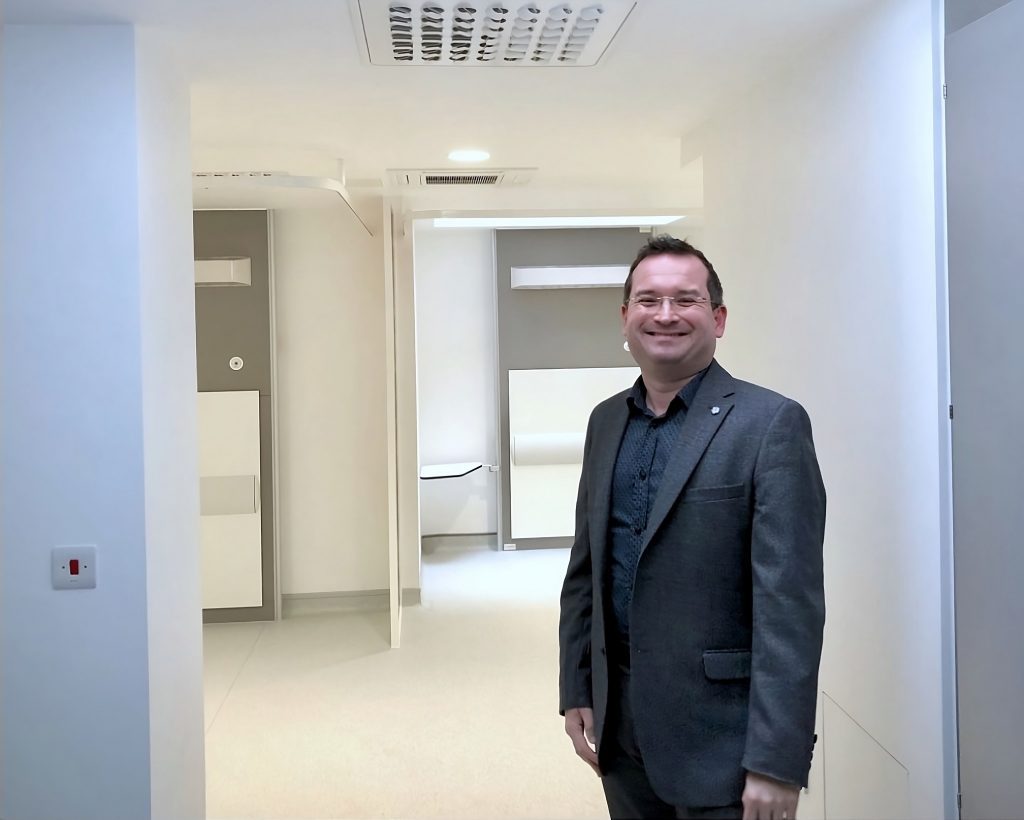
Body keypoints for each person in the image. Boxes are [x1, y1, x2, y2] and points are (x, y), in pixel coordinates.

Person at [559, 235, 825, 820]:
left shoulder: (770, 424)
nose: (666, 315)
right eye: (648, 300)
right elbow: (585, 570)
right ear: (626, 316)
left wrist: (777, 760)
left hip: (723, 744)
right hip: (621, 729)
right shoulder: (605, 422)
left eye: (687, 300)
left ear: (719, 318)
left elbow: (790, 607)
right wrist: (578, 687)